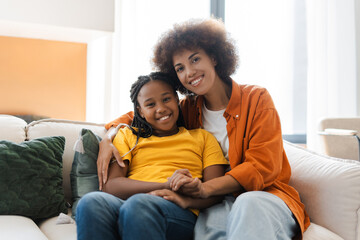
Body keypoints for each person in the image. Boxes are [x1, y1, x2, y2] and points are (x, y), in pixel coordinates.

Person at [98, 18, 310, 240]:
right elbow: (137, 115)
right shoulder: (189, 108)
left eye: (195, 59)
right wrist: (109, 137)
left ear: (215, 57)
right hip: (217, 200)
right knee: (206, 230)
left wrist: (205, 189)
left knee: (248, 203)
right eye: (180, 68)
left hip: (263, 195)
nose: (189, 72)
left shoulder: (257, 99)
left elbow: (263, 166)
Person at [76, 72, 229, 240]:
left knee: (138, 205)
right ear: (140, 111)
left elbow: (215, 191)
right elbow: (111, 185)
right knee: (90, 202)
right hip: (130, 203)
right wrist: (166, 185)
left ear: (177, 100)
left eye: (166, 99)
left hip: (179, 211)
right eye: (150, 104)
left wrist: (186, 195)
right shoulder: (128, 136)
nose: (161, 108)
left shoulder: (203, 137)